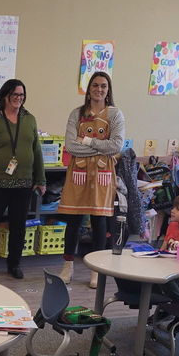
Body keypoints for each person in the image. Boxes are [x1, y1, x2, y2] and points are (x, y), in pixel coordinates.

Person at [0, 79, 47, 279]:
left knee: (19, 227)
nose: (18, 99)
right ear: (5, 96)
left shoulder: (29, 119)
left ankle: (14, 264)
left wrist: (41, 179)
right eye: (15, 95)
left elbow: (37, 151)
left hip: (23, 183)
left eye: (21, 95)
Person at [59, 71, 125, 288]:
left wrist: (86, 140)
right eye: (95, 85)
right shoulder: (76, 114)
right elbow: (70, 145)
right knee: (74, 220)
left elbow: (116, 145)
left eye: (103, 86)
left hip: (102, 174)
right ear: (89, 89)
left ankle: (96, 270)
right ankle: (67, 266)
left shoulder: (115, 115)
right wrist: (99, 147)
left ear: (109, 90)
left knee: (99, 221)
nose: (99, 89)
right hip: (78, 173)